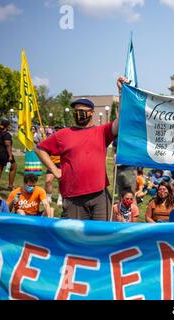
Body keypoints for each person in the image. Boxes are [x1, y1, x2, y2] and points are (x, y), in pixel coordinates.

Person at [35, 76, 128, 221]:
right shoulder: (63, 134)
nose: (79, 113)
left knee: (102, 234)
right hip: (73, 197)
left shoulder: (102, 131)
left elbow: (121, 120)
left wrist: (121, 93)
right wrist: (55, 170)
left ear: (91, 112)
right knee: (74, 237)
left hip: (99, 195)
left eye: (82, 110)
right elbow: (40, 149)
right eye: (76, 111)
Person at [0, 120, 17, 190]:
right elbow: (8, 145)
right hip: (5, 154)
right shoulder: (6, 134)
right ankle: (10, 186)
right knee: (13, 168)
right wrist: (10, 155)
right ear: (7, 126)